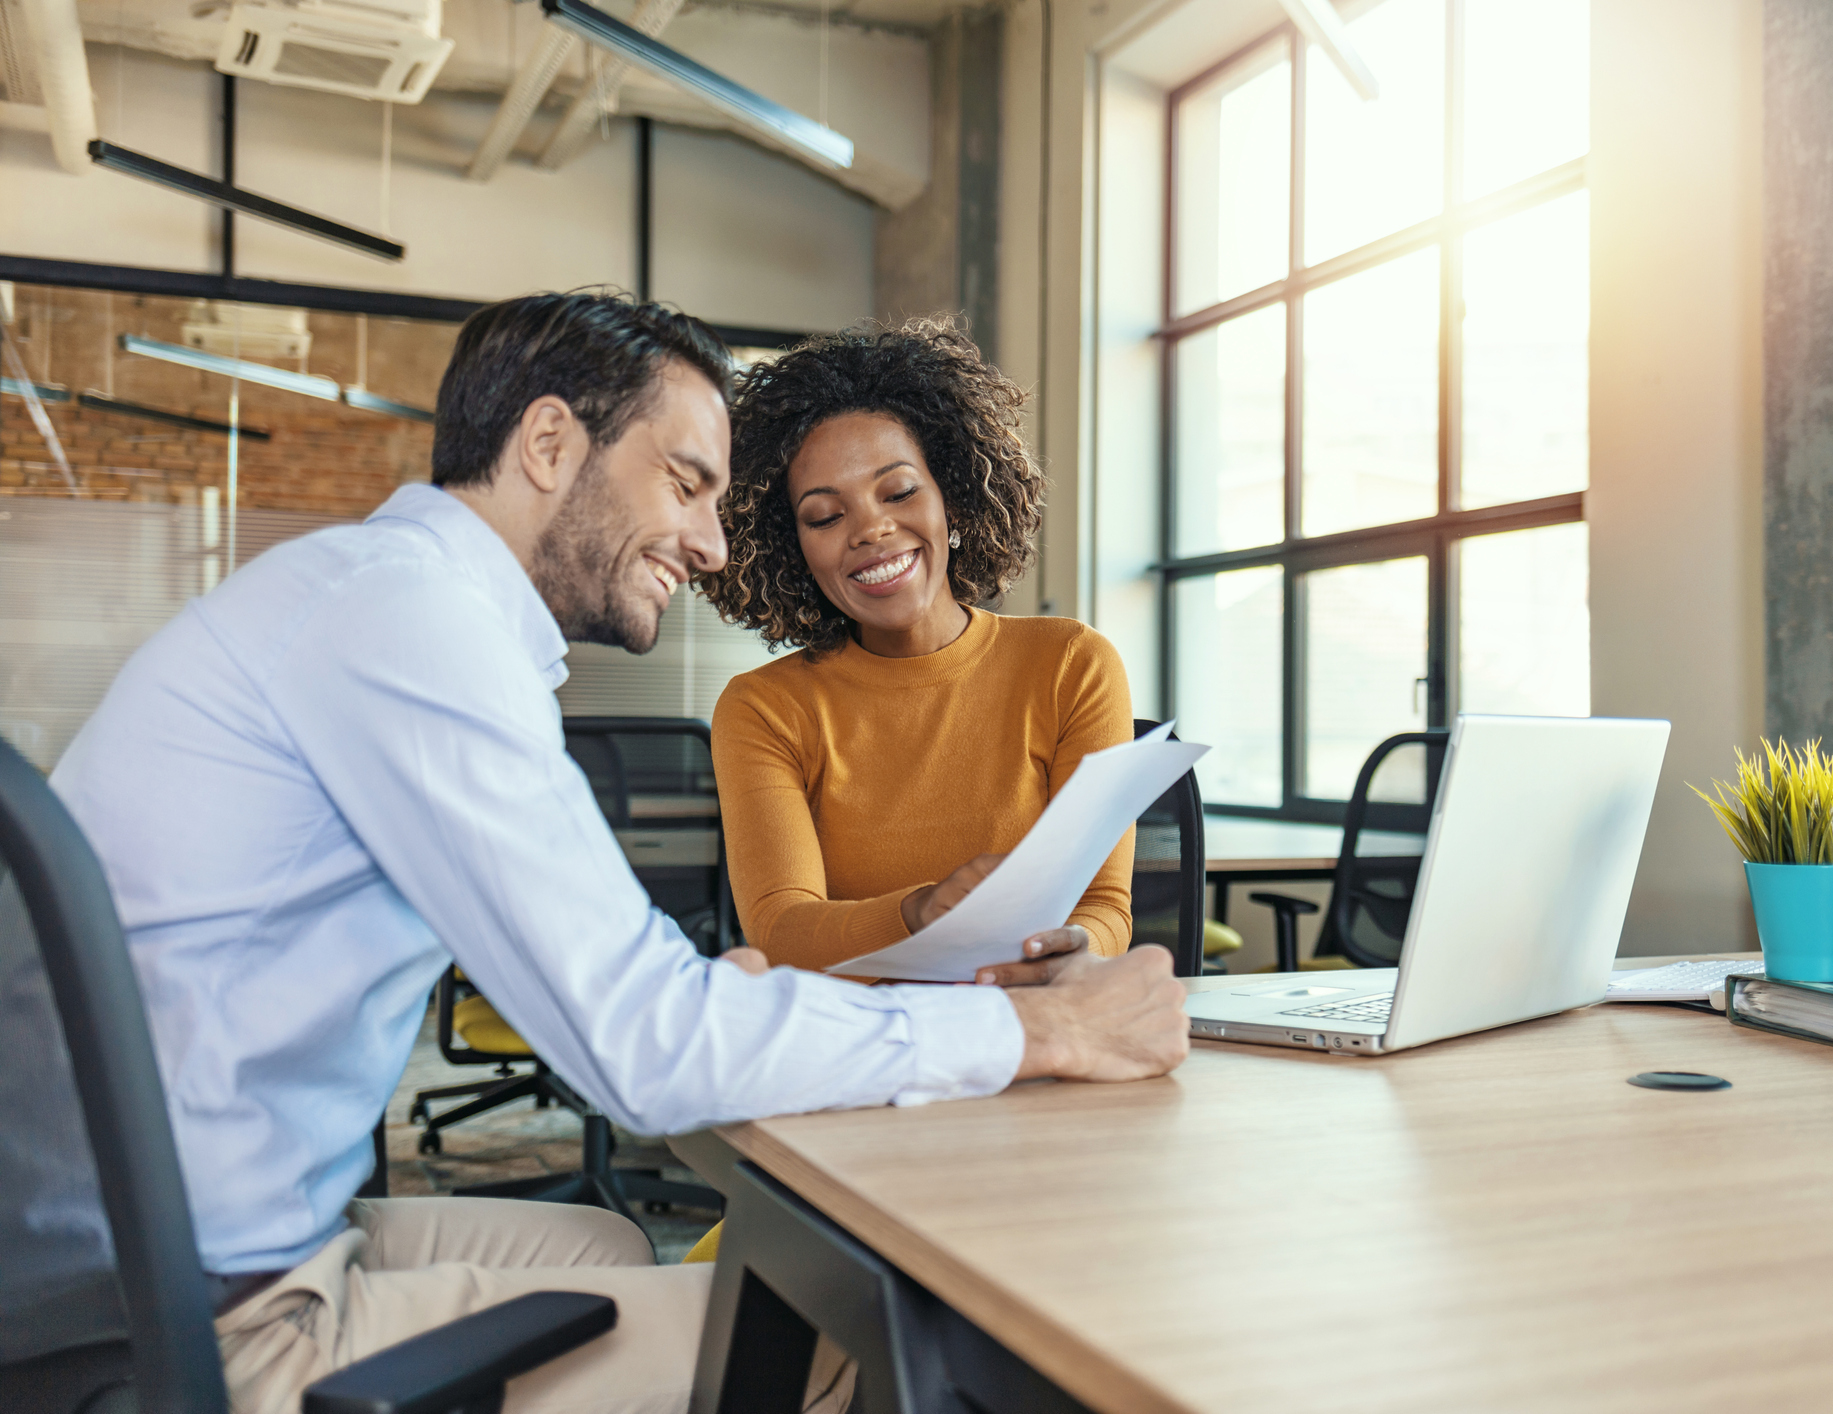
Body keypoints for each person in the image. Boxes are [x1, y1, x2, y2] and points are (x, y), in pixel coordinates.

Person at [49, 292, 1190, 1414]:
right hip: (190, 1314)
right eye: (687, 482)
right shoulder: (411, 627)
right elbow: (639, 1049)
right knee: (834, 1328)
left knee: (607, 1238)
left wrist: (704, 994)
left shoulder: (379, 598)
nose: (708, 539)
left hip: (181, 1237)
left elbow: (630, 988)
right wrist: (1041, 1027)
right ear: (549, 443)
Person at [700, 319, 1134, 979]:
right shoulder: (763, 707)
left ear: (953, 502)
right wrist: (920, 913)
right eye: (824, 515)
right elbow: (780, 929)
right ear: (795, 549)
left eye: (898, 492)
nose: (871, 528)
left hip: (1032, 1021)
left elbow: (1103, 907)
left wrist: (1071, 950)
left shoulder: (1070, 664)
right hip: (857, 1040)